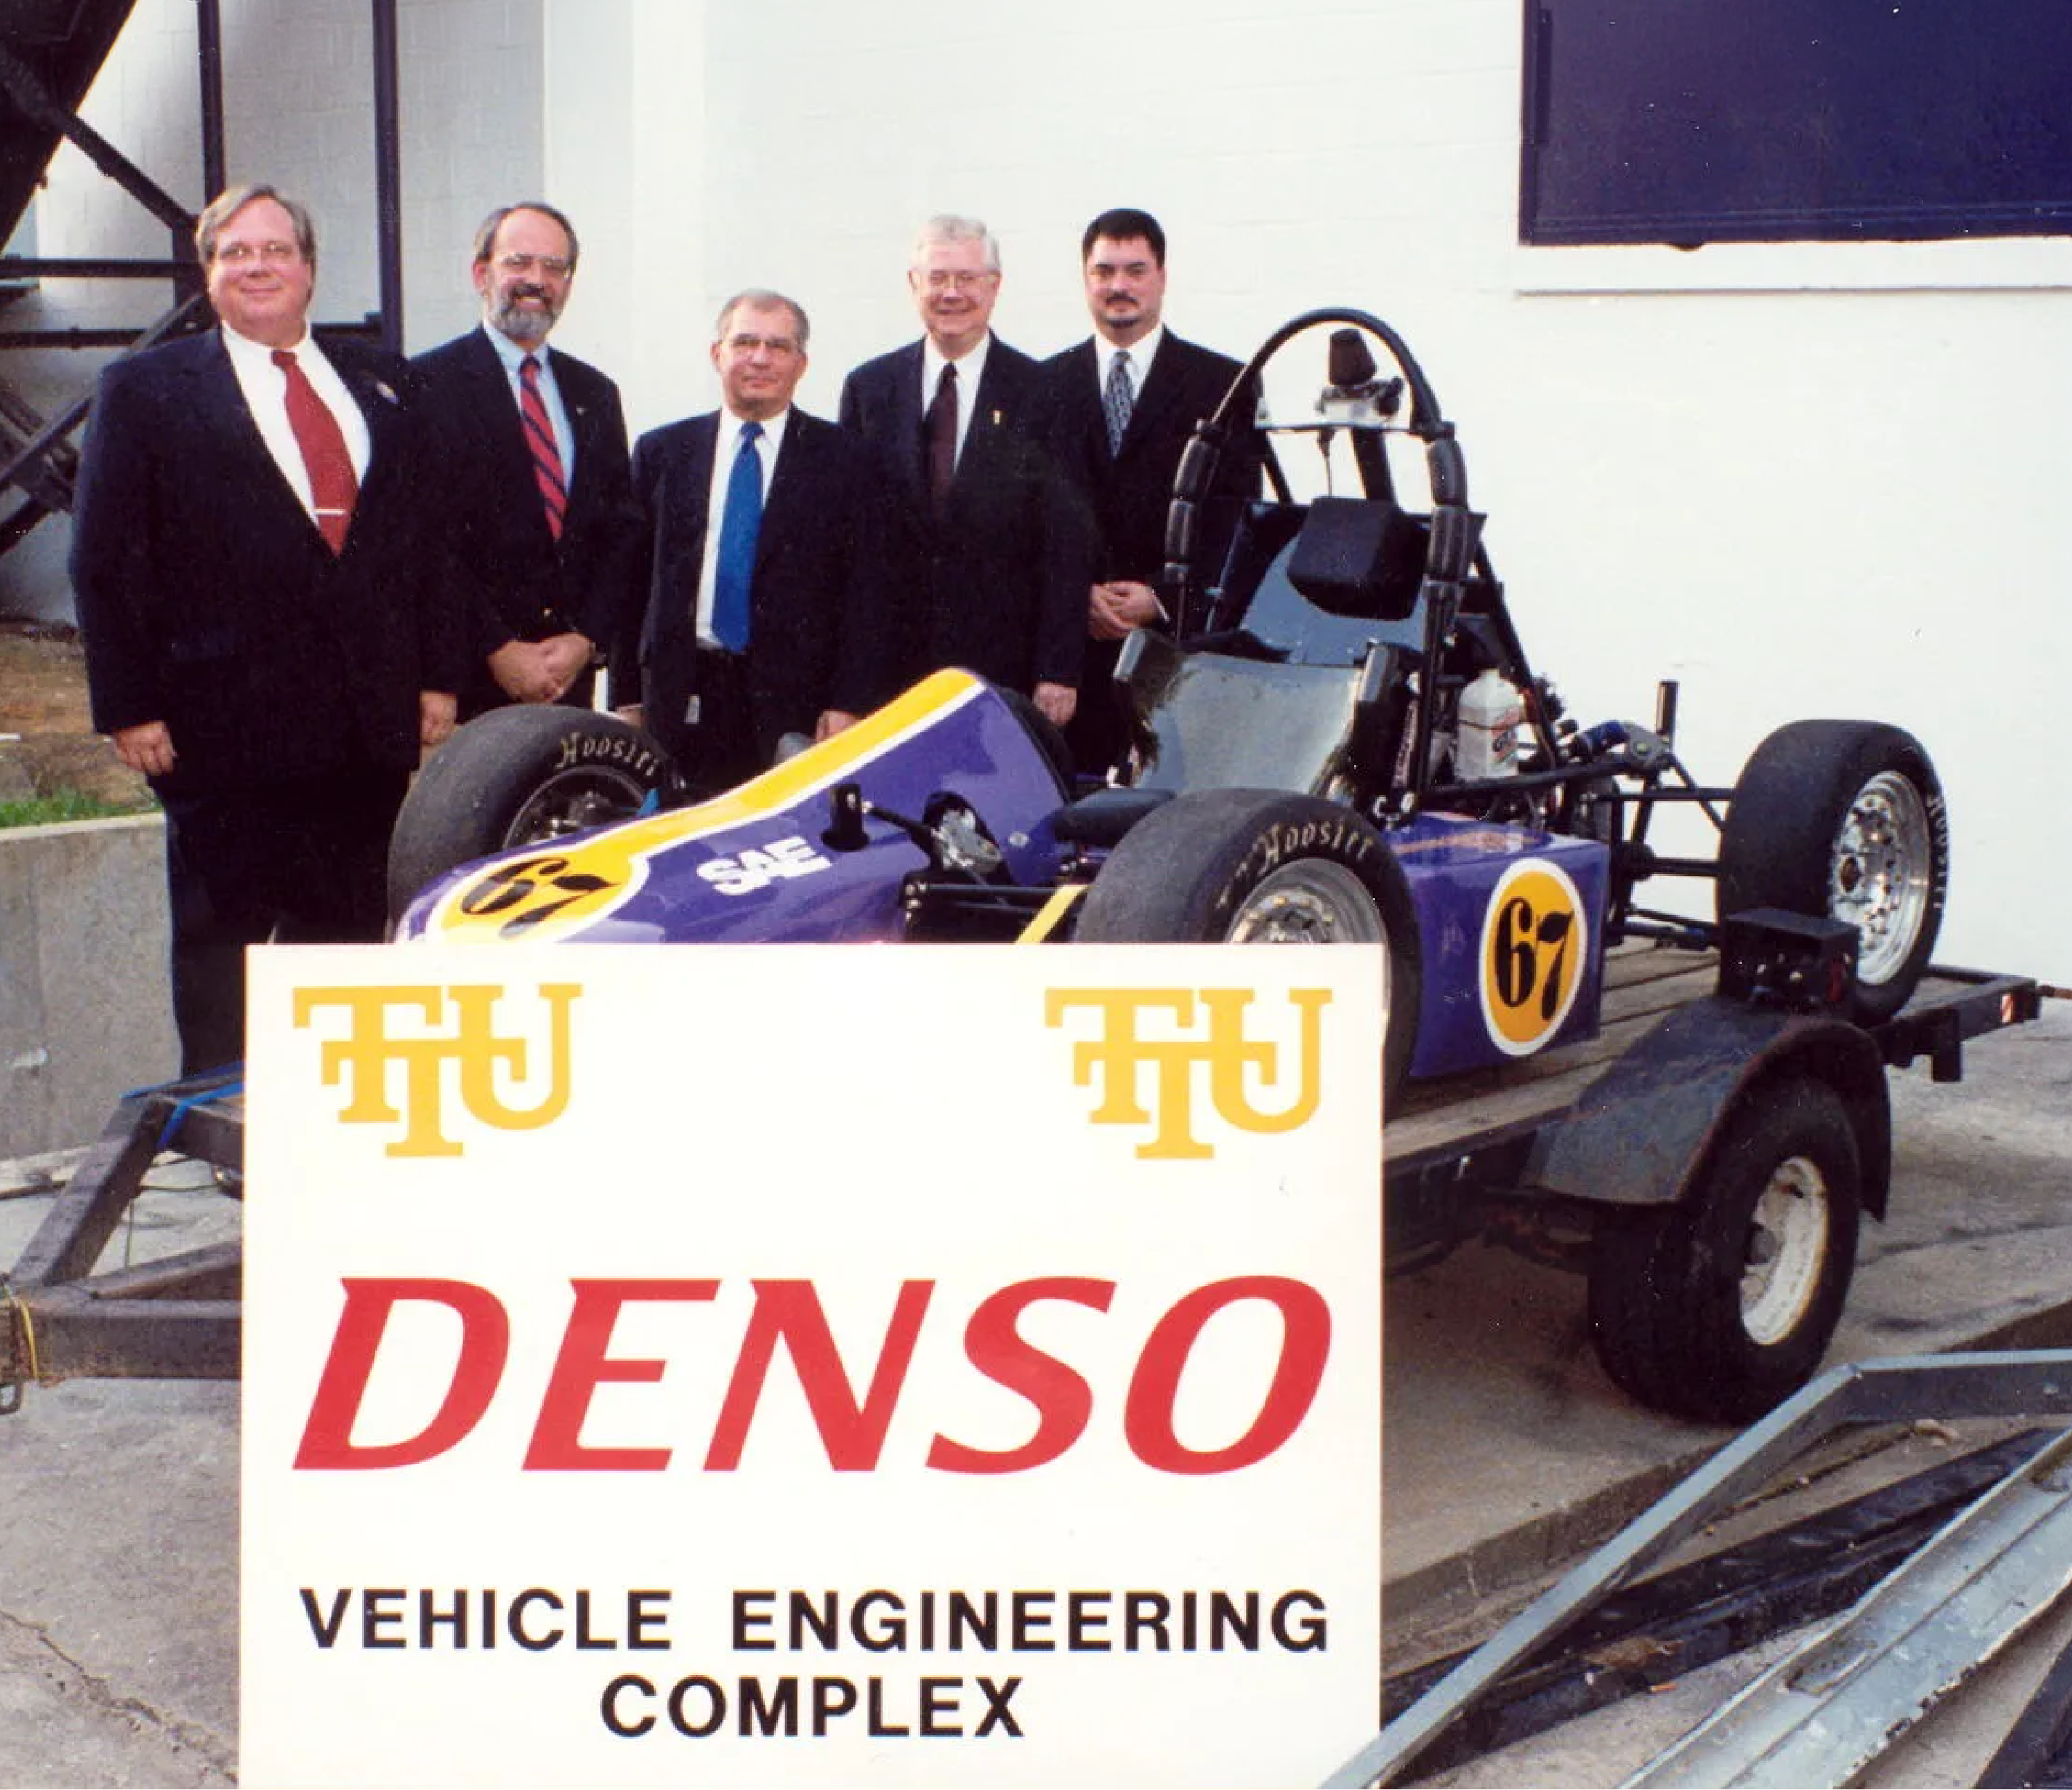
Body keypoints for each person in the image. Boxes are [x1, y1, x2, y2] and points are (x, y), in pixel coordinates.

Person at [70, 182, 458, 1074]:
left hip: (362, 729)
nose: (257, 266)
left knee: (347, 940)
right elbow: (104, 559)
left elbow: (424, 543)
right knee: (225, 950)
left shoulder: (384, 382)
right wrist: (129, 707)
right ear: (208, 274)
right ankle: (226, 1124)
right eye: (234, 252)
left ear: (310, 268)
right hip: (218, 732)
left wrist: (436, 677)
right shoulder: (143, 389)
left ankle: (325, 1122)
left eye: (275, 249)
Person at [614, 291, 898, 794]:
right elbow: (632, 583)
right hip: (683, 695)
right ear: (716, 353)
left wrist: (850, 701)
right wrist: (626, 696)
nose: (760, 358)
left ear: (801, 363)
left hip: (796, 705)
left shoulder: (847, 461)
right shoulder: (663, 452)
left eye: (777, 346)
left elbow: (868, 594)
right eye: (744, 342)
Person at [838, 215, 1084, 731]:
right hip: (889, 671)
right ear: (913, 285)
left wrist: (1057, 669)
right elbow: (851, 548)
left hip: (1001, 665)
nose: (952, 293)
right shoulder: (869, 389)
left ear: (994, 287)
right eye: (937, 278)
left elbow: (1064, 546)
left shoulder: (1044, 393)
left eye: (967, 279)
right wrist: (846, 687)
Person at [1040, 207, 1263, 773]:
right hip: (1072, 665)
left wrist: (1160, 595)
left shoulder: (1223, 385)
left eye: (1135, 270)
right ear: (1084, 278)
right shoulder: (1041, 386)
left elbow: (1236, 519)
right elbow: (1030, 521)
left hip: (1175, 657)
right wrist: (1078, 597)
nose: (1119, 286)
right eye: (1104, 271)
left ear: (1161, 276)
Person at [411, 202, 641, 718]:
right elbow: (425, 540)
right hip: (466, 684)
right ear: (481, 273)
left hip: (568, 681)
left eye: (554, 267)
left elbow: (620, 530)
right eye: (518, 262)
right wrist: (497, 647)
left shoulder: (595, 392)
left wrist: (585, 639)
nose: (536, 280)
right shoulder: (425, 385)